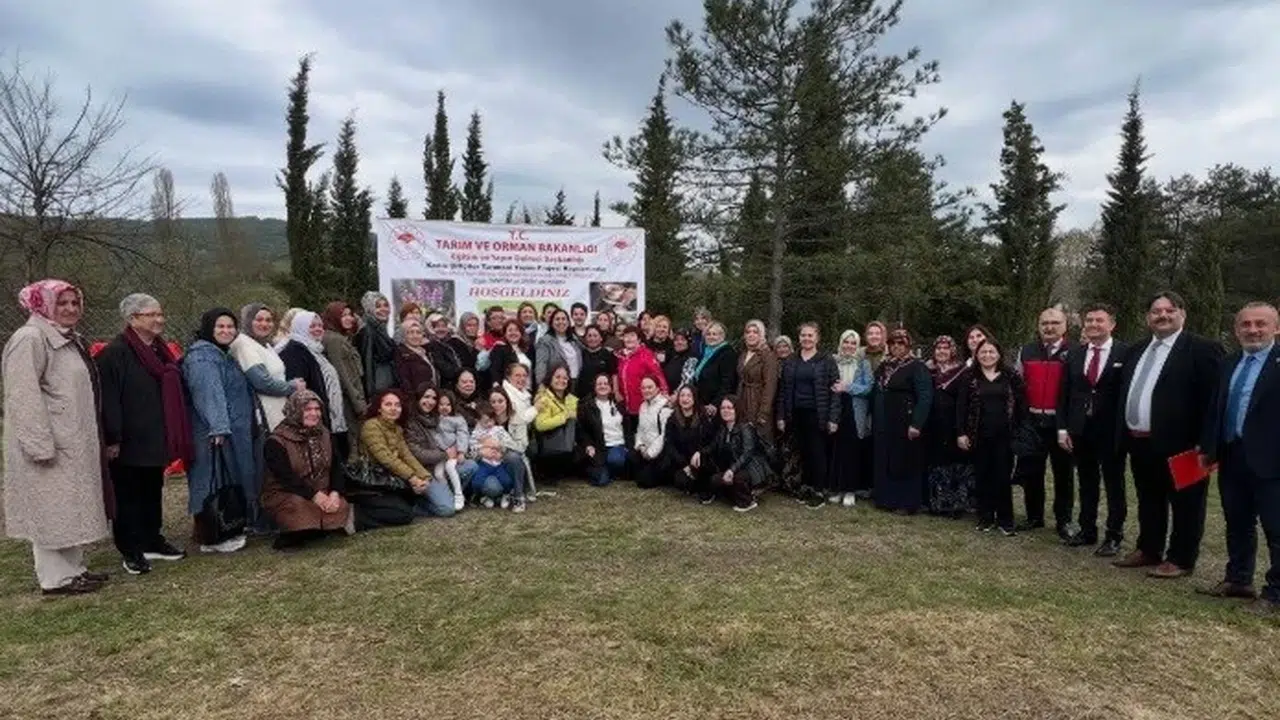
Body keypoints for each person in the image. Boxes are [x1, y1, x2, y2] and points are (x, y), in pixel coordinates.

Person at [3, 280, 112, 595]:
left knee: (70, 508)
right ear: (43, 305)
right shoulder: (30, 339)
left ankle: (75, 570)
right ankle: (55, 579)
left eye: (74, 303)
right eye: (61, 303)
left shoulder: (67, 339)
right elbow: (22, 396)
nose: (70, 309)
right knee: (50, 511)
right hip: (49, 443)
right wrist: (38, 444)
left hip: (72, 439)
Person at [1114, 291, 1223, 578]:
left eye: (1169, 310)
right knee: (1149, 499)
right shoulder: (1136, 350)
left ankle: (1181, 558)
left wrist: (1208, 443)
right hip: (1141, 442)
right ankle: (1149, 549)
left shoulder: (1202, 349)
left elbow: (1214, 400)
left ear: (1182, 314)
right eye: (1155, 311)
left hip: (1185, 446)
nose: (1162, 315)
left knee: (1187, 504)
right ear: (1147, 317)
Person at [97, 293, 191, 574]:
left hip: (155, 436)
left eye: (160, 314)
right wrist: (113, 438)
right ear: (132, 318)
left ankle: (152, 538)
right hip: (127, 441)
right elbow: (109, 399)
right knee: (128, 495)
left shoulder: (161, 351)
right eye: (152, 315)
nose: (159, 319)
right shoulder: (114, 354)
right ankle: (130, 548)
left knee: (152, 490)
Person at [1199, 302, 1280, 614]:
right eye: (1245, 324)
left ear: (1275, 328)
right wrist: (1209, 447)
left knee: (1276, 527)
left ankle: (1275, 594)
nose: (1253, 330)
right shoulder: (1230, 362)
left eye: (1261, 324)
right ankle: (1238, 579)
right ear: (1236, 330)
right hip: (1233, 454)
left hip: (1272, 460)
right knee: (1238, 521)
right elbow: (1216, 408)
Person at [1057, 303, 1130, 556]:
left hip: (1110, 430)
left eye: (1099, 320)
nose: (1093, 325)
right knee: (1087, 481)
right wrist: (1062, 428)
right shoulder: (1075, 354)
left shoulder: (1125, 353)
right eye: (1089, 320)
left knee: (1114, 483)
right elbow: (1064, 393)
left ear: (1112, 324)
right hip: (1080, 428)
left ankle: (1114, 535)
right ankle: (1087, 530)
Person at [182, 308, 256, 554]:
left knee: (227, 481)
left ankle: (227, 527)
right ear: (209, 329)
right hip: (214, 434)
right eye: (220, 327)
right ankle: (212, 536)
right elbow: (208, 393)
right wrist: (218, 427)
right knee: (212, 482)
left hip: (230, 430)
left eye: (230, 326)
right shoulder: (203, 357)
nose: (226, 331)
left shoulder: (222, 354)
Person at [260, 390, 356, 550]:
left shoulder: (324, 434)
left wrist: (334, 493)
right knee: (299, 507)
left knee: (341, 505)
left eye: (317, 409)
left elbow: (336, 468)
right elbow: (286, 478)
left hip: (321, 491)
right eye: (308, 409)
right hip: (287, 494)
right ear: (296, 411)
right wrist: (315, 496)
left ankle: (315, 528)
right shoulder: (276, 441)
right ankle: (295, 533)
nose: (314, 413)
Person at [1012, 307, 1075, 539]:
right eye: (1044, 323)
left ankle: (1064, 520)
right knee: (1032, 472)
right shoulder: (1027, 350)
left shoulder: (1075, 352)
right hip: (1032, 421)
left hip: (1060, 424)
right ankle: (1034, 516)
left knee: (1063, 474)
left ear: (1065, 326)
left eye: (1055, 323)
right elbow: (1018, 383)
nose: (1049, 327)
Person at [957, 340, 1025, 535]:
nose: (987, 355)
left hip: (1005, 436)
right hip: (978, 435)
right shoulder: (969, 377)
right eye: (983, 352)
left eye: (991, 351)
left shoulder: (1010, 376)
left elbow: (1021, 405)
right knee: (983, 477)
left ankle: (1006, 521)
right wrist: (960, 432)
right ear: (977, 355)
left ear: (999, 354)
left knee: (1002, 478)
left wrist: (1020, 430)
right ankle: (985, 518)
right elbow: (961, 407)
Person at [776, 322, 840, 509]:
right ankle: (805, 487)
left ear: (817, 338)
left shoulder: (826, 360)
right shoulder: (791, 360)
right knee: (802, 451)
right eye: (803, 335)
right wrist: (781, 415)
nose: (806, 339)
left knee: (817, 452)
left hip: (817, 413)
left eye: (810, 335)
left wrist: (833, 418)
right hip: (795, 413)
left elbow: (835, 391)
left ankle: (819, 490)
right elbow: (783, 391)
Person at [357, 389, 444, 527]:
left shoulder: (397, 429)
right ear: (379, 408)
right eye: (388, 404)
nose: (393, 409)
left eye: (397, 405)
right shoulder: (371, 426)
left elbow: (407, 456)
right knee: (405, 515)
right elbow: (387, 459)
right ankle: (356, 516)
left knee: (430, 505)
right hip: (373, 484)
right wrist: (412, 478)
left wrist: (424, 476)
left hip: (393, 480)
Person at [871, 327, 933, 515]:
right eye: (893, 343)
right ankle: (886, 499)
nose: (896, 347)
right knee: (886, 458)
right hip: (884, 419)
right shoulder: (884, 366)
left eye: (901, 343)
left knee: (904, 460)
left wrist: (917, 423)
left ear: (908, 346)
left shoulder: (917, 366)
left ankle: (906, 502)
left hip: (905, 420)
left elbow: (925, 396)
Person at [285, 311, 350, 461]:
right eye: (312, 326)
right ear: (300, 327)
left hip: (325, 417)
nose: (318, 329)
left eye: (320, 325)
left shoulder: (315, 350)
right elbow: (299, 392)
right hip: (310, 419)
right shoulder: (295, 351)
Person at [690, 396, 774, 512]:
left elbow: (747, 453)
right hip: (734, 467)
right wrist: (699, 453)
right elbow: (713, 446)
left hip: (750, 469)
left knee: (737, 479)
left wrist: (731, 470)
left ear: (737, 409)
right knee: (715, 480)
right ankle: (728, 493)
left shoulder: (746, 427)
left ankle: (748, 501)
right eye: (723, 408)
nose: (726, 410)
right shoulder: (723, 428)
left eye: (730, 408)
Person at [229, 303, 298, 432]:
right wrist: (292, 386)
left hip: (279, 413)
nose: (264, 324)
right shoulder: (243, 344)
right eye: (259, 319)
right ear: (248, 321)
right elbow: (262, 383)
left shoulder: (264, 344)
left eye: (269, 320)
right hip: (264, 418)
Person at [924, 335, 972, 517]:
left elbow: (963, 401)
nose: (941, 351)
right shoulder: (928, 370)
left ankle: (956, 505)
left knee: (955, 464)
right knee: (936, 464)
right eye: (938, 348)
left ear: (952, 350)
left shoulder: (961, 371)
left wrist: (961, 429)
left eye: (946, 348)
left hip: (953, 423)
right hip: (933, 424)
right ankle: (937, 503)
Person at [830, 330, 874, 507]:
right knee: (836, 450)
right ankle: (837, 488)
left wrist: (848, 387)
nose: (849, 346)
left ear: (857, 345)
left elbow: (868, 388)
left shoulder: (863, 364)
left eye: (853, 343)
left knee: (852, 452)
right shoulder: (834, 361)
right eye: (846, 342)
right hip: (836, 409)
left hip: (855, 410)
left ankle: (850, 490)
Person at [403, 385, 461, 517]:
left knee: (471, 467)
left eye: (434, 398)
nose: (430, 401)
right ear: (418, 398)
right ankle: (418, 504)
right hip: (425, 471)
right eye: (426, 397)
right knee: (447, 509)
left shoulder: (437, 418)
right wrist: (444, 454)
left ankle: (448, 494)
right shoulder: (411, 422)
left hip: (443, 465)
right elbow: (417, 454)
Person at [471, 393, 529, 511]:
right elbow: (471, 447)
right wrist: (481, 450)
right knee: (479, 481)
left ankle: (511, 495)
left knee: (506, 481)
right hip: (483, 462)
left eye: (500, 401)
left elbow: (516, 445)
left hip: (499, 463)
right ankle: (481, 496)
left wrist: (500, 448)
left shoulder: (500, 429)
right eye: (493, 402)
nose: (489, 424)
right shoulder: (477, 432)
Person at [321, 302, 369, 442]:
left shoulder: (342, 337)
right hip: (347, 398)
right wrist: (358, 402)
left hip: (349, 395)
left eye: (350, 315)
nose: (349, 318)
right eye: (343, 315)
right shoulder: (335, 340)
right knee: (353, 436)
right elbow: (343, 375)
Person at [579, 373, 631, 486]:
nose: (602, 386)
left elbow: (627, 427)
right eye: (599, 384)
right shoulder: (587, 406)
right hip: (600, 447)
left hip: (618, 445)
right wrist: (588, 445)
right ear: (594, 387)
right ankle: (602, 468)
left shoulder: (619, 404)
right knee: (601, 481)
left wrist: (629, 446)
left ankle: (610, 467)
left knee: (616, 459)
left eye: (606, 383)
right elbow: (583, 430)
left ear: (611, 387)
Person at [532, 365, 579, 486]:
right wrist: (563, 417)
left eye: (565, 378)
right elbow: (540, 425)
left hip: (567, 445)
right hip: (549, 446)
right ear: (550, 378)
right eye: (557, 377)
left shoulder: (572, 399)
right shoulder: (543, 398)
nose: (561, 381)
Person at [661, 385, 713, 493]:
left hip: (698, 460)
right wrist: (684, 465)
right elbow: (669, 444)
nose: (685, 399)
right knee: (681, 481)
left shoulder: (703, 418)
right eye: (682, 395)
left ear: (694, 398)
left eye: (689, 396)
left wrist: (700, 452)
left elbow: (711, 442)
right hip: (680, 462)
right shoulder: (672, 419)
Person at [433, 390, 476, 511]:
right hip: (442, 453)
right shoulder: (435, 420)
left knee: (450, 468)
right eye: (441, 404)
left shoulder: (457, 419)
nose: (444, 407)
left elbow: (463, 434)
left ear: (452, 405)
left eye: (447, 404)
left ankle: (458, 494)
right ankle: (448, 495)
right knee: (438, 474)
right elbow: (435, 436)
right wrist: (445, 449)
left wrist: (461, 451)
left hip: (455, 453)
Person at [736, 320, 778, 443]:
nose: (751, 335)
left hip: (758, 402)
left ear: (762, 335)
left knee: (760, 441)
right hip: (742, 399)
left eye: (755, 332)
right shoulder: (743, 354)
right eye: (748, 332)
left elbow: (770, 386)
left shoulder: (768, 356)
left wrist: (763, 413)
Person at [616, 326, 668, 423]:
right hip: (626, 405)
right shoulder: (621, 356)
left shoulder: (646, 354)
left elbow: (658, 375)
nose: (629, 339)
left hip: (643, 405)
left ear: (639, 339)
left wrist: (664, 395)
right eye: (626, 336)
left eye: (632, 336)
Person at [632, 376, 674, 488]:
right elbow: (640, 430)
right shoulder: (643, 406)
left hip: (659, 452)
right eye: (643, 388)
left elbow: (664, 435)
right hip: (644, 449)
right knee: (628, 465)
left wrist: (650, 453)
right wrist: (640, 446)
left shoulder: (665, 406)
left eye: (650, 387)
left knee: (644, 482)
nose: (646, 390)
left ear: (657, 389)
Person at [354, 292, 396, 398]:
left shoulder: (381, 329)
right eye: (378, 306)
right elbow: (367, 364)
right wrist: (370, 394)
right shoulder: (367, 331)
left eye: (386, 305)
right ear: (369, 309)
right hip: (377, 391)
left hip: (386, 387)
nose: (384, 309)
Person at [693, 321, 739, 418]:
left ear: (722, 336)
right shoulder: (706, 352)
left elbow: (728, 382)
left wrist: (715, 403)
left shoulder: (727, 353)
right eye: (708, 334)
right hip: (702, 402)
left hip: (716, 405)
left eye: (715, 334)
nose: (711, 337)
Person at [534, 309, 581, 389]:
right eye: (557, 319)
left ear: (568, 322)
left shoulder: (574, 340)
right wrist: (541, 386)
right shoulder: (545, 341)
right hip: (556, 385)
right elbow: (541, 365)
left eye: (563, 319)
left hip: (576, 384)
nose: (561, 322)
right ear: (551, 323)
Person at [393, 317, 439, 397]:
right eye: (411, 332)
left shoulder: (425, 352)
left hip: (429, 399)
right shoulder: (401, 354)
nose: (415, 336)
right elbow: (404, 383)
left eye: (418, 332)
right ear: (404, 335)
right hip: (415, 401)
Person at [471, 436, 516, 507]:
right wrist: (483, 453)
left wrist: (499, 455)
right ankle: (481, 496)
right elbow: (477, 453)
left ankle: (506, 494)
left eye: (496, 448)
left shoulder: (499, 446)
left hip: (498, 466)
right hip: (484, 465)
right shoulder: (481, 447)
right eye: (491, 447)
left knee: (506, 481)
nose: (493, 449)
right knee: (477, 481)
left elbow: (503, 454)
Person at [487, 319, 532, 391]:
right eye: (510, 330)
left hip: (527, 391)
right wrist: (497, 387)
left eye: (516, 330)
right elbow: (495, 370)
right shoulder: (499, 348)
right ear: (505, 334)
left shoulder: (528, 350)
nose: (513, 333)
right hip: (509, 391)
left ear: (521, 333)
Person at [577, 324, 618, 399]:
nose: (592, 338)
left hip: (602, 394)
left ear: (601, 338)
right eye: (589, 336)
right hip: (583, 395)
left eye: (595, 336)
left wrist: (615, 391)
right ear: (585, 338)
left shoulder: (608, 354)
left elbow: (614, 374)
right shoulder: (581, 353)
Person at [426, 313, 465, 390]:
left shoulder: (451, 342)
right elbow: (444, 368)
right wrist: (460, 374)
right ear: (431, 328)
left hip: (455, 385)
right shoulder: (431, 345)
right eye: (437, 326)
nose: (441, 329)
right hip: (442, 387)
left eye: (443, 326)